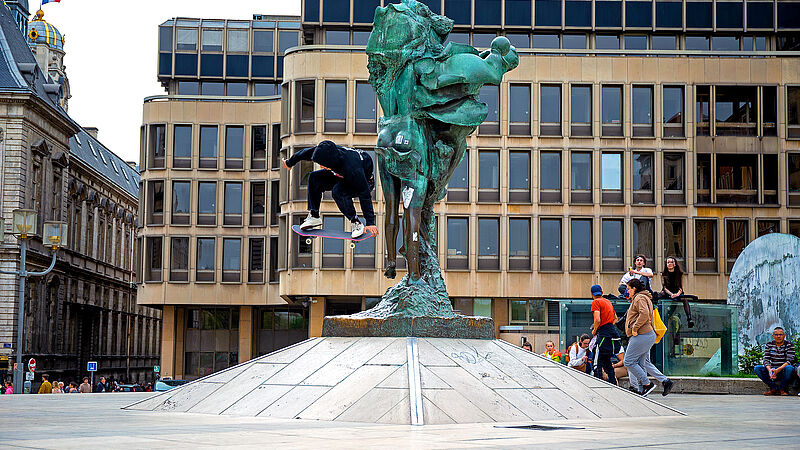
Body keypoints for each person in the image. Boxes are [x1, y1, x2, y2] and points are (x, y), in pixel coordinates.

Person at [282, 140, 378, 239]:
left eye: (323, 164)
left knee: (338, 191)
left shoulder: (353, 168)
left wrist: (370, 222)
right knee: (315, 177)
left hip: (364, 182)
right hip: (341, 176)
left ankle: (356, 223)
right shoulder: (323, 152)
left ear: (331, 161)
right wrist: (289, 162)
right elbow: (303, 153)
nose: (321, 166)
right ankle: (314, 215)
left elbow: (365, 194)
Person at [623, 278, 672, 396]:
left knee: (628, 361)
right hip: (646, 335)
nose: (627, 291)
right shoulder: (643, 297)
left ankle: (646, 384)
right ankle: (656, 384)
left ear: (634, 289)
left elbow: (644, 313)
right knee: (642, 362)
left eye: (628, 289)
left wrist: (634, 328)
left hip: (641, 334)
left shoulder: (639, 298)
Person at [591, 284, 622, 385]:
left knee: (596, 362)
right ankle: (613, 383)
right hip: (613, 334)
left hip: (604, 334)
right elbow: (615, 319)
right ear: (602, 293)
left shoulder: (596, 302)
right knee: (607, 361)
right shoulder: (608, 301)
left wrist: (595, 330)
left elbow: (597, 319)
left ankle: (598, 385)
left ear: (592, 294)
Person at [754, 327, 796, 396]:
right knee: (757, 368)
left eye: (780, 334)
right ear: (773, 336)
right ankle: (773, 388)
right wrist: (770, 370)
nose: (778, 336)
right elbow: (766, 360)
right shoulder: (769, 345)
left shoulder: (789, 345)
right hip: (773, 370)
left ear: (784, 336)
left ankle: (782, 389)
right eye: (776, 335)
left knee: (789, 368)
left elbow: (790, 360)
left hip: (784, 370)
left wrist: (778, 370)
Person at [656, 256, 694, 328]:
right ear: (666, 264)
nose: (670, 264)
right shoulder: (663, 274)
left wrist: (677, 294)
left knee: (684, 299)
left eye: (671, 262)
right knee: (658, 295)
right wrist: (671, 294)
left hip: (677, 292)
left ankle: (689, 319)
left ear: (675, 264)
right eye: (668, 262)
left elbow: (681, 287)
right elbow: (664, 288)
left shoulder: (679, 273)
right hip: (667, 292)